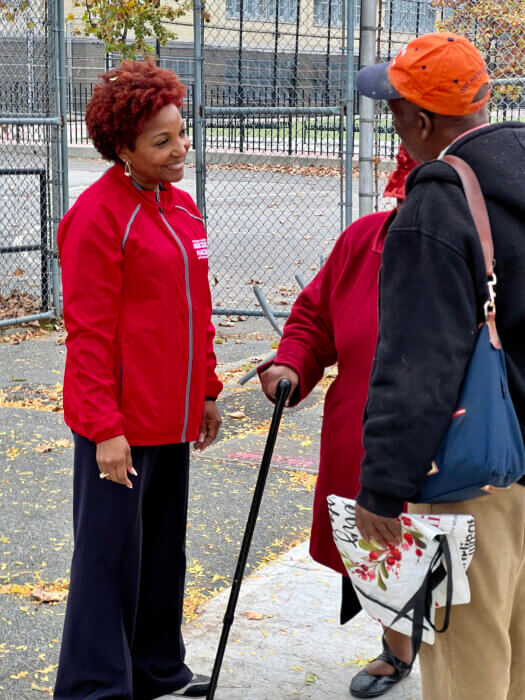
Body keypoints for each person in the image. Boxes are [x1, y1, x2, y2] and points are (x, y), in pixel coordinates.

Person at [354, 32, 525, 700]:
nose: (392, 123)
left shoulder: (437, 204)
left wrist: (382, 486)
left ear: (419, 121)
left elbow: (417, 363)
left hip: (473, 473)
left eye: (394, 109)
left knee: (464, 652)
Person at [54, 60, 223, 700]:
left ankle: (157, 671)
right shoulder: (98, 216)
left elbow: (197, 311)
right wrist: (104, 429)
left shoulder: (182, 208)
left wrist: (206, 390)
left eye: (182, 133)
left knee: (161, 555)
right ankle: (95, 688)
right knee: (107, 563)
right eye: (162, 141)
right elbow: (88, 335)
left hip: (172, 420)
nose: (181, 148)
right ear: (122, 148)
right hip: (119, 427)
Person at [259, 144, 419, 697]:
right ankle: (397, 648)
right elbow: (314, 316)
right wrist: (291, 363)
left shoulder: (481, 251)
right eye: (404, 202)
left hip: (452, 435)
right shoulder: (363, 240)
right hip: (362, 429)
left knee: (453, 554)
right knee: (381, 544)